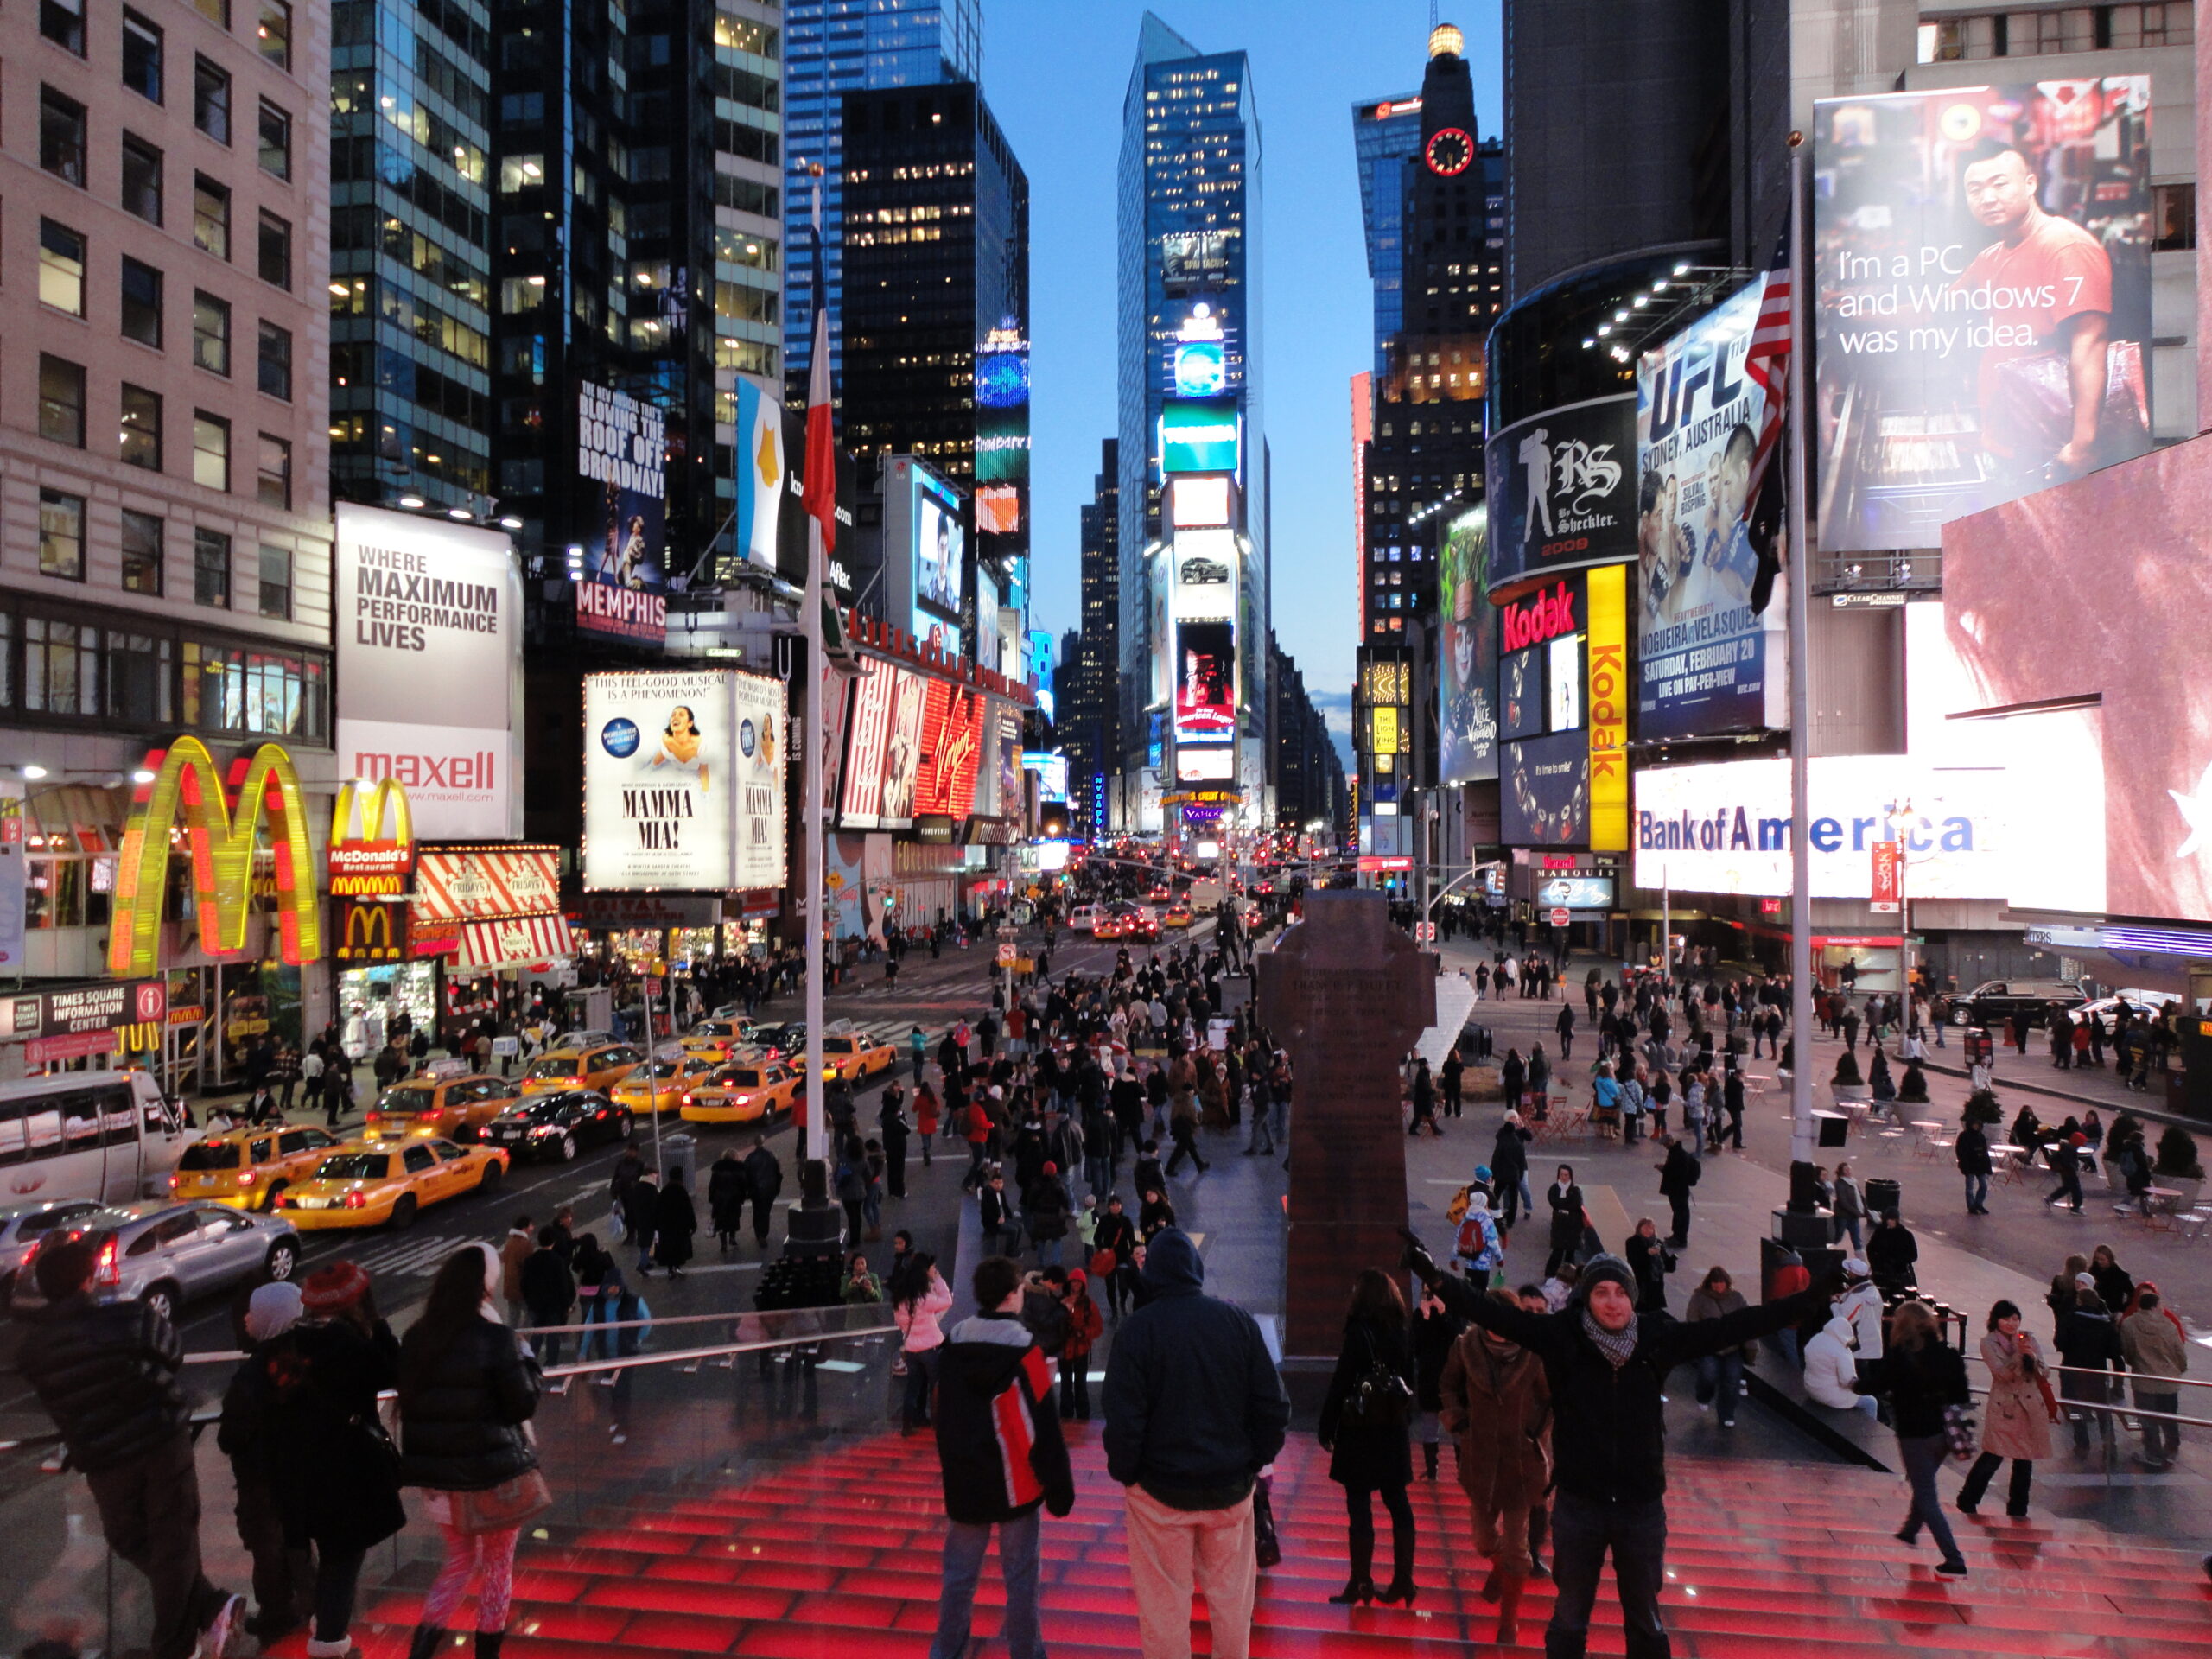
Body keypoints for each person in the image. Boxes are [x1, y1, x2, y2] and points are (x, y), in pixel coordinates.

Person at [1403, 1237, 1831, 1659]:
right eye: (1601, 1292)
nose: (1612, 1302)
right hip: (1579, 1505)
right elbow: (1489, 1311)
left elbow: (1738, 1325)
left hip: (1640, 1506)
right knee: (1570, 1618)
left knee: (1645, 1619)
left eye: (1621, 1292)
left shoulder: (1656, 1337)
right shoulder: (1562, 1336)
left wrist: (1811, 1299)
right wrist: (1434, 1276)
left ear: (1633, 1298)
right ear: (1586, 1298)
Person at [21, 1235, 246, 1659]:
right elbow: (172, 1352)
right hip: (161, 1440)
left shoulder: (33, 1349)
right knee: (173, 1540)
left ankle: (208, 1608)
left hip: (102, 1455)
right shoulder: (128, 1318)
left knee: (127, 1538)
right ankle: (178, 1643)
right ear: (89, 1280)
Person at [1103, 1227, 1290, 1659]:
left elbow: (1124, 1419)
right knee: (1232, 1604)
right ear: (1196, 1271)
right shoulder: (1236, 1321)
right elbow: (1273, 1406)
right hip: (1229, 1487)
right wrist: (1254, 1461)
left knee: (1163, 1608)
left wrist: (1128, 1474)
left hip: (1159, 1493)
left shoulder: (1136, 1332)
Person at [221, 1262, 404, 1659]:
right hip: (346, 1478)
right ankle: (328, 1643)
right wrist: (378, 1323)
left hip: (298, 1482)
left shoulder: (286, 1348)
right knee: (343, 1560)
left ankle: (325, 1629)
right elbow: (392, 1369)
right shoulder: (348, 1344)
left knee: (329, 1555)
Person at [397, 1243, 544, 1659]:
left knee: (459, 1560)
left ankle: (423, 1646)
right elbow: (522, 1404)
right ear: (485, 1288)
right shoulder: (497, 1337)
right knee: (497, 1567)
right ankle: (487, 1653)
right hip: (491, 1478)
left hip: (440, 1484)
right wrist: (528, 1359)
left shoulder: (416, 1336)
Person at [926, 1255, 1074, 1659]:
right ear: (1012, 1295)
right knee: (1021, 1578)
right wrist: (1059, 1486)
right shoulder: (1027, 1349)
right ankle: (1026, 1652)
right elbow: (1043, 1424)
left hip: (965, 1480)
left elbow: (941, 1409)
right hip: (1016, 1483)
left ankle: (947, 1651)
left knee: (959, 1576)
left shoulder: (954, 1341)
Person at [1437, 1285, 1553, 1645]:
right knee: (1483, 1540)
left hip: (1521, 1461)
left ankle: (1509, 1623)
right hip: (1481, 1458)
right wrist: (1458, 1421)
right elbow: (1447, 1386)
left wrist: (1536, 1434)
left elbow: (1549, 1398)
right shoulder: (1465, 1347)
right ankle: (1501, 1570)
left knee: (1519, 1549)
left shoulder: (1533, 1351)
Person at [1316, 1270, 1419, 1607]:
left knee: (1359, 1507)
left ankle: (1361, 1582)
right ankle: (1404, 1579)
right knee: (1398, 1503)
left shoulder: (1359, 1332)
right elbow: (1410, 1381)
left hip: (1360, 1430)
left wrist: (1327, 1426)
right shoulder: (1402, 1330)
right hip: (1392, 1428)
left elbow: (1342, 1381)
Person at [1851, 1301, 1972, 1578]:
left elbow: (1878, 1385)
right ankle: (1909, 1530)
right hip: (1944, 1433)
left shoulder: (1901, 1355)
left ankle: (1954, 1559)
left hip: (1914, 1433)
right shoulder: (1948, 1353)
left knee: (1926, 1492)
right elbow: (1962, 1395)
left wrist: (1854, 1384)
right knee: (1924, 1481)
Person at [220, 1282, 312, 1642]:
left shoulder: (252, 1375)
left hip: (261, 1479)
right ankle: (312, 1605)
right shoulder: (310, 1359)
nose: (246, 1319)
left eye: (253, 1313)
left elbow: (230, 1436)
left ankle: (276, 1615)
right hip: (303, 1471)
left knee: (267, 1547)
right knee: (299, 1543)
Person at [1958, 1300, 2053, 1516]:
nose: (2012, 1324)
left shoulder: (2029, 1339)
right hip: (2005, 1407)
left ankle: (2018, 1508)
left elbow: (2045, 1373)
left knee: (2024, 1460)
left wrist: (2033, 1357)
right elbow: (2002, 1374)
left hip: (2029, 1408)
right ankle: (1967, 1499)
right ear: (1996, 1320)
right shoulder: (1988, 1343)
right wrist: (2019, 1356)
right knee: (1993, 1455)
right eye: (2006, 1319)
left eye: (2015, 1319)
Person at [2055, 1276, 2124, 1455]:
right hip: (2096, 1371)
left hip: (2072, 1368)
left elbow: (2060, 1343)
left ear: (2079, 1301)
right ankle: (2110, 1444)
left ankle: (2082, 1443)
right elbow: (2114, 1350)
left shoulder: (2069, 1319)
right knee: (2102, 1410)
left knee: (2076, 1408)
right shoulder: (2105, 1324)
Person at [2120, 1288, 2188, 1470]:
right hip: (2169, 1379)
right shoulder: (2169, 1325)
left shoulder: (2129, 1324)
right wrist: (2179, 1369)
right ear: (2156, 1306)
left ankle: (2153, 1453)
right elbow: (2179, 1352)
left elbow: (2128, 1353)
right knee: (2169, 1416)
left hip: (2144, 1380)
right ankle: (2172, 1447)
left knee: (2148, 1419)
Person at [891, 1251, 954, 1434]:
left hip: (911, 1349)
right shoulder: (923, 1299)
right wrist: (938, 1281)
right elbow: (947, 1301)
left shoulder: (900, 1299)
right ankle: (938, 1422)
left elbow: (901, 1323)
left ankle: (907, 1424)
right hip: (930, 1348)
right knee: (937, 1385)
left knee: (913, 1387)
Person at [1684, 1266, 1752, 1427]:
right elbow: (1692, 1318)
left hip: (1732, 1347)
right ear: (1710, 1283)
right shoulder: (1700, 1297)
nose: (1718, 1287)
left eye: (1721, 1283)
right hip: (1710, 1346)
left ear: (1727, 1283)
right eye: (1715, 1283)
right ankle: (1704, 1396)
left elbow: (1747, 1318)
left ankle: (1727, 1414)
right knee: (1708, 1375)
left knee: (1732, 1381)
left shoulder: (1736, 1297)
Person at [1409, 1285, 1463, 1483]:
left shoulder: (1454, 1312)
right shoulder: (1419, 1315)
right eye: (1427, 1292)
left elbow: (1459, 1336)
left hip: (1452, 1377)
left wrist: (1443, 1312)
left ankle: (1462, 1470)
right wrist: (1424, 1315)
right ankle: (1432, 1469)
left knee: (1457, 1425)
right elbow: (1415, 1344)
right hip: (1429, 1377)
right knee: (1429, 1424)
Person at [519, 1225, 576, 1382]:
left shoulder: (530, 1260)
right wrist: (567, 1306)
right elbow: (564, 1286)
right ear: (554, 1242)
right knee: (553, 1336)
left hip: (536, 1305)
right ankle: (551, 1366)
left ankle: (530, 1363)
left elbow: (524, 1284)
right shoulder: (557, 1261)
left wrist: (529, 1300)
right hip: (554, 1307)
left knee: (537, 1334)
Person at [1803, 1312, 1878, 1417]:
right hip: (1830, 1396)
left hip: (1811, 1388)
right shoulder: (1842, 1351)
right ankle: (1870, 1431)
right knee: (1871, 1402)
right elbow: (1847, 1381)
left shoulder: (1816, 1339)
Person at [1058, 1268, 1104, 1421]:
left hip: (1079, 1350)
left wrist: (1083, 1333)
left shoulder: (1088, 1305)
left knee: (1080, 1384)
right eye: (1074, 1281)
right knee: (1066, 1384)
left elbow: (1097, 1328)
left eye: (1078, 1282)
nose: (1076, 1284)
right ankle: (1071, 1415)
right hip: (1067, 1350)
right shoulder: (1063, 1302)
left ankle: (1079, 1415)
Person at [652, 1167, 696, 1278]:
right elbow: (688, 1209)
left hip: (666, 1226)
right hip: (680, 1226)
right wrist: (693, 1224)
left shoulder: (664, 1191)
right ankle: (677, 1267)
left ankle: (670, 1269)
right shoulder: (681, 1191)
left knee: (669, 1248)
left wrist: (657, 1224)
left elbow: (657, 1209)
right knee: (679, 1248)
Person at [1656, 1134, 1699, 1248]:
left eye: (1665, 1144)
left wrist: (1664, 1169)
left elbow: (1678, 1173)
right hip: (1676, 1189)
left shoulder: (1679, 1155)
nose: (1665, 1146)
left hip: (1678, 1190)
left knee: (1681, 1214)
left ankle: (1680, 1238)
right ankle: (1676, 1235)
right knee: (1678, 1213)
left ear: (1671, 1142)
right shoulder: (1675, 1153)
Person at [1867, 1211, 1919, 1300]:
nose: (1889, 1222)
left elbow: (1913, 1255)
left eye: (1892, 1220)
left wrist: (1898, 1261)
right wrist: (1875, 1263)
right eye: (1888, 1219)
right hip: (1881, 1272)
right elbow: (1870, 1248)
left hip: (1899, 1274)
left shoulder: (1906, 1235)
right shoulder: (1880, 1231)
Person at [1545, 1165, 1586, 1278]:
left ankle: (1570, 1277)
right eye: (1562, 1174)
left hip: (1572, 1228)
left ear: (1570, 1176)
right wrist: (1566, 1206)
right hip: (1559, 1227)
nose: (1564, 1177)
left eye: (1566, 1175)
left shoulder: (1575, 1190)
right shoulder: (1554, 1189)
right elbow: (1554, 1203)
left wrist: (1562, 1206)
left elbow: (1576, 1204)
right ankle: (1550, 1275)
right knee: (1557, 1253)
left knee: (1570, 1255)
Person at [1623, 1219, 1669, 1316]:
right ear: (1639, 1228)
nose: (1649, 1230)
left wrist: (1670, 1259)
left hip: (1656, 1287)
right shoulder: (1632, 1242)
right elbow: (1633, 1261)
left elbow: (1668, 1267)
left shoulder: (1658, 1243)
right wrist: (1647, 1254)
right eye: (1646, 1227)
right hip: (1641, 1285)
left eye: (1651, 1228)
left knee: (1654, 1314)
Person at [743, 1135, 782, 1249]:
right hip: (769, 1189)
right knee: (766, 1211)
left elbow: (746, 1174)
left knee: (757, 1210)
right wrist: (777, 1188)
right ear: (763, 1142)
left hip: (756, 1190)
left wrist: (747, 1190)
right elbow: (777, 1173)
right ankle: (763, 1233)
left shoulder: (750, 1157)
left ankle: (759, 1232)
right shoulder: (771, 1156)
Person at [708, 1150, 747, 1252]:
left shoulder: (717, 1169)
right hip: (734, 1198)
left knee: (721, 1222)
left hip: (720, 1199)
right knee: (733, 1219)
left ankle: (723, 1244)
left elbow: (712, 1185)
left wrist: (712, 1198)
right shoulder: (739, 1169)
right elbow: (743, 1185)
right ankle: (732, 1238)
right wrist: (743, 1197)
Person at [1955, 1120, 1993, 1215]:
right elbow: (1961, 1151)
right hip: (1969, 1165)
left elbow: (1985, 1152)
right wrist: (1964, 1165)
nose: (1976, 1127)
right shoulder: (1964, 1136)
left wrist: (1988, 1167)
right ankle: (1971, 1206)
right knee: (1969, 1187)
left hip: (1980, 1165)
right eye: (1974, 1125)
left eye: (1977, 1125)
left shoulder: (1981, 1136)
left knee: (1983, 1186)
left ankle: (1979, 1203)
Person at [1832, 1161, 1868, 1249]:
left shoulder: (1853, 1182)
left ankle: (1860, 1258)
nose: (1849, 1171)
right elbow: (1843, 1202)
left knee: (1856, 1239)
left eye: (1849, 1169)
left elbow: (1859, 1196)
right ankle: (1832, 1252)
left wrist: (1865, 1209)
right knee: (1838, 1236)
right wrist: (1856, 1212)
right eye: (1846, 1170)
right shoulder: (1839, 1183)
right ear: (1842, 1171)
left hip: (1853, 1216)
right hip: (1843, 1216)